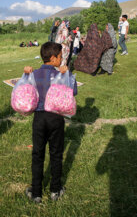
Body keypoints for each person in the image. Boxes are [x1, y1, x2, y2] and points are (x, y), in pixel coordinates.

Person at [23, 42, 78, 203]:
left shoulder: (34, 74)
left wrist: (26, 74)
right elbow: (73, 91)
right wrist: (66, 75)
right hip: (56, 119)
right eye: (60, 57)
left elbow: (25, 91)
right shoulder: (59, 74)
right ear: (53, 58)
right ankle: (55, 190)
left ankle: (37, 193)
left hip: (39, 119)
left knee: (37, 154)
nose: (62, 60)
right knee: (56, 154)